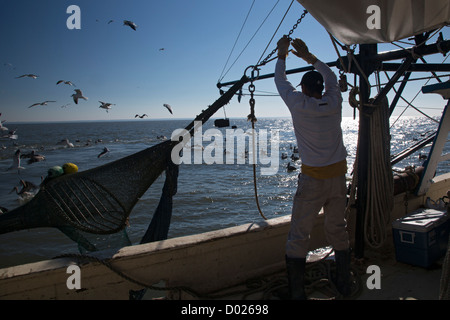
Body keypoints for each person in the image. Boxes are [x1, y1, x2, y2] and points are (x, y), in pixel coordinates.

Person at [275, 36, 351, 299]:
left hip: (313, 181)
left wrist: (282, 54)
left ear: (305, 89)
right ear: (319, 88)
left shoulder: (299, 104)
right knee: (337, 229)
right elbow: (330, 76)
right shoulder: (335, 101)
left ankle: (297, 294)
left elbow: (280, 81)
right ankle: (344, 282)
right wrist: (310, 57)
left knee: (299, 235)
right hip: (338, 178)